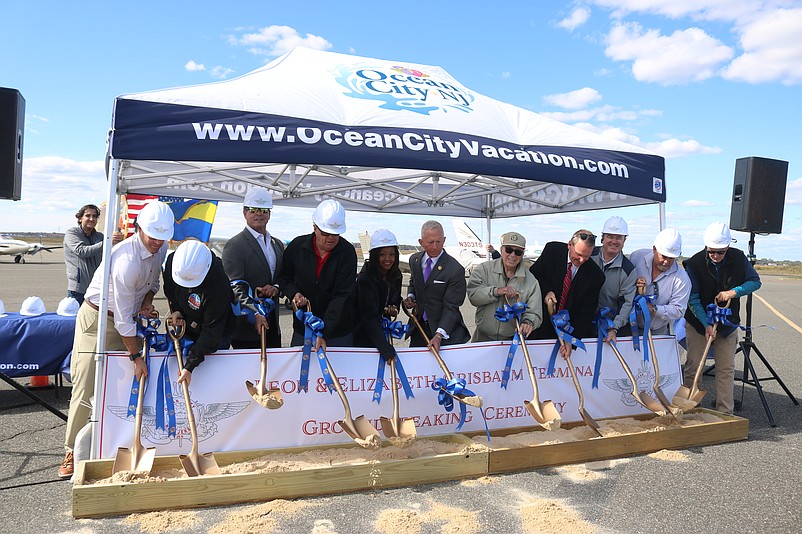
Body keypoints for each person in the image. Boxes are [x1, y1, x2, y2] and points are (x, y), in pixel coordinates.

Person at [59, 200, 174, 478]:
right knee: (86, 385)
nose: (158, 242)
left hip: (127, 320)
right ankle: (72, 450)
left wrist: (147, 302)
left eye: (163, 236)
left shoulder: (160, 249)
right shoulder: (125, 260)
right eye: (152, 235)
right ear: (138, 229)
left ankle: (112, 442)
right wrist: (136, 357)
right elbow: (122, 319)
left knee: (121, 387)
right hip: (97, 319)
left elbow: (152, 285)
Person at [682, 222, 761, 414]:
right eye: (711, 252)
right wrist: (706, 324)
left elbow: (755, 282)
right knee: (693, 368)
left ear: (727, 247)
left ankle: (725, 413)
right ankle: (689, 410)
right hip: (698, 323)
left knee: (726, 370)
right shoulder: (694, 263)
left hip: (727, 324)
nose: (715, 256)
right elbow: (692, 298)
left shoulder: (739, 258)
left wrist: (733, 292)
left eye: (720, 252)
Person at [277, 199, 356, 349]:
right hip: (303, 329)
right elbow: (283, 277)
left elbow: (341, 296)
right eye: (326, 233)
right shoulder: (297, 247)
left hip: (338, 333)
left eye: (335, 233)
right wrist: (294, 293)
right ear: (315, 227)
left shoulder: (347, 253)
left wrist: (323, 333)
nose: (331, 238)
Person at [164, 240, 235, 385]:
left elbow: (212, 332)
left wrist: (190, 366)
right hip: (186, 324)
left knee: (210, 381)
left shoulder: (219, 283)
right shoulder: (173, 262)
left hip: (216, 333)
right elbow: (170, 289)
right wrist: (177, 309)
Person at [222, 187, 284, 349]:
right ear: (245, 213)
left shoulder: (277, 244)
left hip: (272, 327)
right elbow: (234, 288)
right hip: (246, 329)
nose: (259, 214)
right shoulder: (234, 245)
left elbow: (282, 276)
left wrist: (276, 288)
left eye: (264, 210)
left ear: (269, 214)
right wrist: (254, 313)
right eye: (253, 210)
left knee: (273, 373)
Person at [529, 230, 604, 356]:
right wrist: (547, 291)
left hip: (568, 329)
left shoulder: (596, 276)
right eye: (578, 254)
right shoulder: (552, 251)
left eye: (586, 257)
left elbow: (586, 312)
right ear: (570, 244)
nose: (581, 260)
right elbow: (535, 274)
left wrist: (571, 339)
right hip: (540, 325)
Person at [403, 220, 470, 350]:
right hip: (419, 329)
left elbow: (452, 306)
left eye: (438, 242)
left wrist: (439, 334)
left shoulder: (454, 269)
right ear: (421, 242)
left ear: (444, 240)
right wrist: (411, 297)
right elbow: (414, 282)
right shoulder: (415, 260)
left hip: (445, 333)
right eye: (430, 242)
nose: (435, 246)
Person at [468, 231, 542, 341]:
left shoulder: (531, 281)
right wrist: (496, 291)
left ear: (522, 255)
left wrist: (528, 322)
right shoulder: (483, 269)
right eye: (509, 250)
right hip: (482, 337)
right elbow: (473, 296)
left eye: (518, 252)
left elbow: (535, 311)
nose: (512, 255)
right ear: (501, 250)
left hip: (513, 340)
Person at [629, 228, 691, 335]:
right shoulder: (636, 258)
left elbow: (679, 310)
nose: (666, 262)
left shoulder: (682, 279)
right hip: (628, 327)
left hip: (657, 331)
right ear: (654, 249)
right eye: (664, 256)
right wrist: (632, 283)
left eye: (672, 258)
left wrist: (654, 309)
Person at [353, 229, 403, 362]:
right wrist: (384, 347)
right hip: (362, 334)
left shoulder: (396, 275)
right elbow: (368, 315)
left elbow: (396, 298)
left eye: (392, 254)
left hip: (382, 331)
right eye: (382, 254)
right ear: (375, 255)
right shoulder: (365, 278)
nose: (388, 259)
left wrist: (393, 307)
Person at [63, 204, 123, 304]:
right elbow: (81, 251)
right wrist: (108, 242)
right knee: (75, 318)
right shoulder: (72, 233)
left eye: (94, 216)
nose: (91, 219)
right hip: (78, 290)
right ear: (80, 218)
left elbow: (113, 253)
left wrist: (118, 240)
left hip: (97, 289)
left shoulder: (100, 236)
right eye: (87, 215)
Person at [591, 216, 637, 341]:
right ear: (602, 238)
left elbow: (626, 303)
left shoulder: (628, 270)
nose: (614, 241)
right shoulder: (588, 256)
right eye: (610, 236)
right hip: (582, 322)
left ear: (624, 240)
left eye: (619, 238)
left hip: (607, 328)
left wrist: (614, 328)